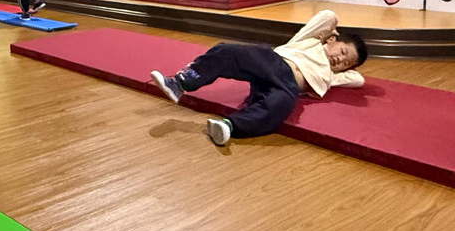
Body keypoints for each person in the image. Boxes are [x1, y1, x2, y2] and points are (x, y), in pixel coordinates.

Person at [151, 9, 367, 147]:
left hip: (289, 86)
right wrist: (328, 36)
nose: (340, 60)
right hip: (272, 61)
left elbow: (358, 80)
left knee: (280, 105)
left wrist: (344, 67)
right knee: (227, 51)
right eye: (343, 52)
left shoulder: (331, 76)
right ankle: (180, 83)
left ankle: (229, 126)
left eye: (346, 63)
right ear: (332, 39)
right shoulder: (309, 41)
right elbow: (327, 16)